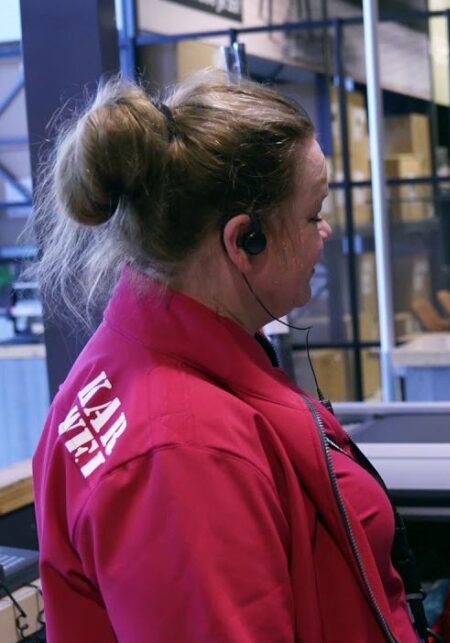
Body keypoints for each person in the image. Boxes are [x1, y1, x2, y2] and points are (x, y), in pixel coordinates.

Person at [28, 73, 421, 642]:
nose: (326, 231)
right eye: (313, 213)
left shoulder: (141, 361)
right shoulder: (184, 452)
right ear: (245, 242)